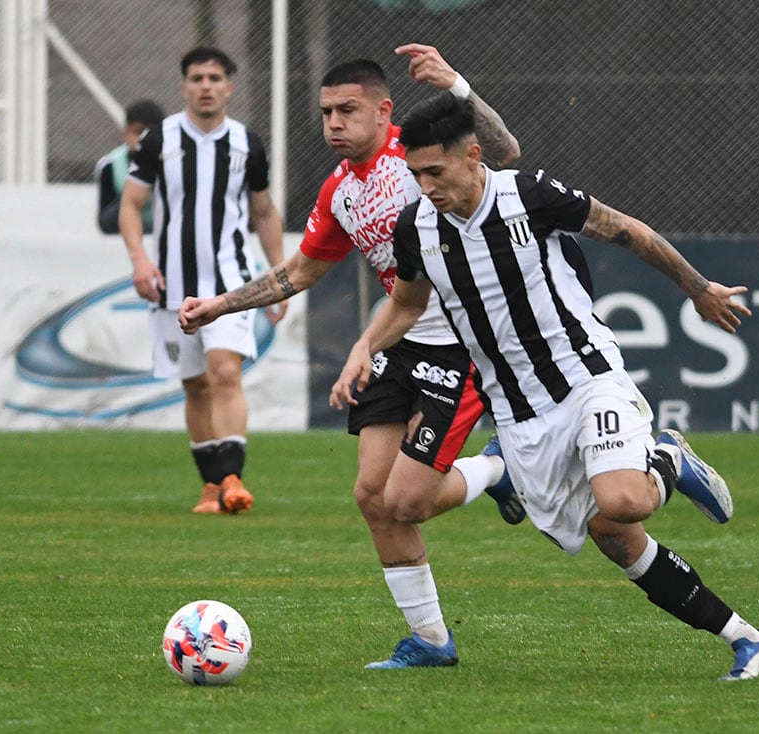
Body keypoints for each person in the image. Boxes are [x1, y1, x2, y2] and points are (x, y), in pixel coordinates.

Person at [329, 92, 759, 681]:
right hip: (520, 414)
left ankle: (669, 456)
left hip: (585, 377)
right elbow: (408, 303)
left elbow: (626, 231)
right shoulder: (417, 225)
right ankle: (748, 640)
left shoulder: (526, 195)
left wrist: (696, 288)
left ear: (472, 156)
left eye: (435, 172)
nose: (426, 186)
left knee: (620, 498)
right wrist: (366, 346)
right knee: (613, 536)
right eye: (415, 175)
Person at [179, 46, 523, 668]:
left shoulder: (418, 155)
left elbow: (504, 155)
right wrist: (222, 306)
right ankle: (432, 642)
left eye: (348, 109)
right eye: (326, 112)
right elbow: (302, 269)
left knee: (408, 500)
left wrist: (457, 84)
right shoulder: (341, 190)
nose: (334, 122)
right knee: (372, 495)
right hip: (398, 340)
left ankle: (499, 472)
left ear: (384, 111)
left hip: (465, 345)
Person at [119, 47, 285, 515]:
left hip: (229, 284)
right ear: (184, 86)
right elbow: (132, 205)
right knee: (194, 385)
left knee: (226, 371)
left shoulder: (247, 143)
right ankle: (211, 486)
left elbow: (264, 211)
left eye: (215, 77)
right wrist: (139, 260)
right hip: (170, 285)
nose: (206, 86)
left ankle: (232, 475)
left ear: (229, 86)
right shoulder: (158, 140)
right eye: (197, 78)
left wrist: (279, 276)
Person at [95, 99, 165, 234]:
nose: (144, 140)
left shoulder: (175, 161)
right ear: (125, 133)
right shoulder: (110, 166)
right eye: (138, 132)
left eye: (150, 133)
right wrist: (131, 200)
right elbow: (104, 223)